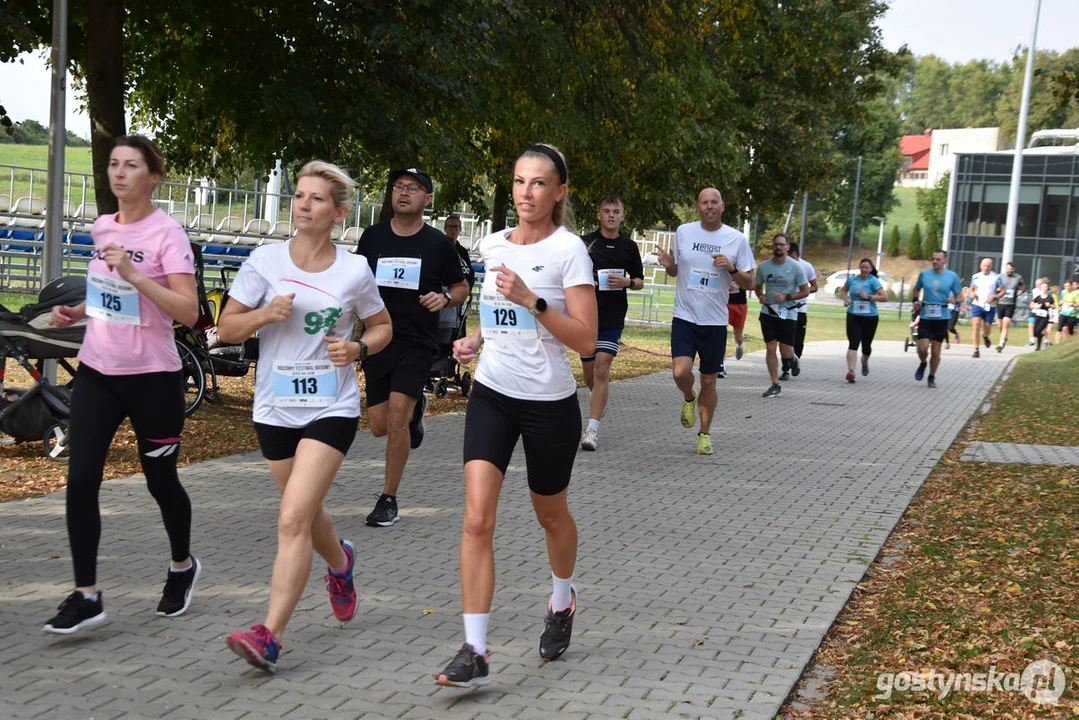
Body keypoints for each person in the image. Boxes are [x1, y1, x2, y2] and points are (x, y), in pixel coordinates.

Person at [434, 144, 597, 688]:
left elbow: (587, 341)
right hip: (493, 394)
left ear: (559, 193)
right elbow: (495, 311)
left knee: (551, 515)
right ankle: (475, 650)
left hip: (549, 403)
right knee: (477, 518)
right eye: (520, 181)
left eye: (539, 183)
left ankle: (562, 597)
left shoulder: (571, 251)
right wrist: (475, 338)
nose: (526, 192)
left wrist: (533, 300)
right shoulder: (493, 243)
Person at [220, 161, 393, 672]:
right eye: (299, 195)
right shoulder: (264, 261)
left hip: (330, 407)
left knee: (293, 516)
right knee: (307, 513)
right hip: (274, 406)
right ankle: (340, 563)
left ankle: (269, 634)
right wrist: (263, 316)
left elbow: (383, 327)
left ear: (338, 213)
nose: (303, 204)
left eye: (317, 199)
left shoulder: (354, 270)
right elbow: (227, 329)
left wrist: (358, 348)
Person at [42, 135, 201, 635]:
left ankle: (182, 565)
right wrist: (80, 311)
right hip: (98, 373)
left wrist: (133, 273)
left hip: (153, 379)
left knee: (161, 482)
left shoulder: (167, 235)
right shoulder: (102, 226)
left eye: (131, 165)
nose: (119, 173)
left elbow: (188, 312)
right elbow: (110, 297)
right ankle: (87, 594)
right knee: (82, 479)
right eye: (113, 164)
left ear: (152, 177)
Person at [354, 168, 470, 527]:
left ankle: (388, 499)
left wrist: (445, 297)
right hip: (377, 340)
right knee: (377, 425)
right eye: (399, 187)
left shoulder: (438, 244)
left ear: (427, 199)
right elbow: (356, 281)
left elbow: (461, 287)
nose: (404, 193)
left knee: (397, 417)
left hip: (417, 342)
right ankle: (418, 407)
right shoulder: (372, 237)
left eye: (413, 189)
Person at [655, 188, 754, 454]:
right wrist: (667, 263)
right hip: (685, 316)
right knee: (680, 371)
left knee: (709, 381)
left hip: (714, 321)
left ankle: (704, 434)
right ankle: (689, 396)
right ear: (698, 207)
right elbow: (676, 270)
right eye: (704, 202)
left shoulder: (736, 239)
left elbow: (751, 282)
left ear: (722, 206)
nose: (709, 206)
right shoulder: (684, 231)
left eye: (714, 202)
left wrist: (731, 268)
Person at [579, 195, 644, 451]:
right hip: (585, 315)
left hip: (612, 316)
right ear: (598, 215)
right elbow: (571, 272)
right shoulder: (585, 242)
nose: (611, 215)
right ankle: (599, 401)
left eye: (616, 211)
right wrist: (587, 282)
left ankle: (591, 430)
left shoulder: (629, 246)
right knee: (589, 375)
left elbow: (640, 281)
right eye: (606, 211)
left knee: (601, 370)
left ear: (622, 216)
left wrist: (627, 282)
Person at [754, 234, 810, 398]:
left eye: (782, 245)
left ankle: (792, 359)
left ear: (787, 247)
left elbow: (805, 291)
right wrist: (760, 296)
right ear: (773, 247)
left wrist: (787, 297)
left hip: (788, 312)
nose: (778, 247)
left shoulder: (795, 267)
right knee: (770, 346)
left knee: (785, 350)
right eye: (776, 244)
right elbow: (757, 287)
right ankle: (775, 384)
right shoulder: (764, 267)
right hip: (768, 311)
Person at [912, 250, 964, 388]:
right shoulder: (924, 274)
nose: (935, 261)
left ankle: (931, 376)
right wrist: (916, 300)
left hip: (942, 316)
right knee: (922, 348)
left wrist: (955, 300)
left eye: (938, 259)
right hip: (925, 315)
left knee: (936, 350)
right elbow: (916, 289)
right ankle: (923, 363)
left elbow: (961, 297)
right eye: (933, 259)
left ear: (945, 261)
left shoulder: (951, 276)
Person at [840, 259, 887, 382]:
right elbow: (843, 290)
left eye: (867, 268)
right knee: (853, 343)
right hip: (853, 315)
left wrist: (870, 297)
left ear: (871, 269)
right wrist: (845, 300)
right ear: (859, 268)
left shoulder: (873, 281)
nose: (864, 270)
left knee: (866, 346)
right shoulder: (852, 280)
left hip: (870, 317)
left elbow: (884, 297)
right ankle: (851, 371)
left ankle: (864, 361)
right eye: (862, 267)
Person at [967, 257, 1004, 358]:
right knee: (976, 325)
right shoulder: (976, 276)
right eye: (984, 265)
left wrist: (995, 297)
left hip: (990, 306)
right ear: (980, 266)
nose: (986, 268)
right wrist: (973, 294)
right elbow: (971, 289)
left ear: (991, 267)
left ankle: (985, 336)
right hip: (977, 304)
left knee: (987, 328)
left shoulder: (996, 277)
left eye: (988, 266)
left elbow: (1003, 290)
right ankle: (976, 349)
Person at [788, 242, 818, 361]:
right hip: (785, 308)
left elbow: (815, 286)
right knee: (786, 338)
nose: (792, 260)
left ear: (798, 255)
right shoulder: (781, 266)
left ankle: (796, 360)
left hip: (800, 308)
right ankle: (786, 366)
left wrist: (804, 291)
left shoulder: (806, 266)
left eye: (793, 257)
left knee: (798, 340)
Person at [995, 261, 1025, 352]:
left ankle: (1001, 343)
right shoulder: (1000, 276)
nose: (1009, 270)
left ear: (1013, 269)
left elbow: (1023, 285)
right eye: (1008, 269)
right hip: (1001, 302)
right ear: (1005, 268)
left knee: (1006, 323)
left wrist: (1021, 291)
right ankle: (1004, 338)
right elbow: (995, 286)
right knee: (999, 324)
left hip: (1011, 304)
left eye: (1011, 269)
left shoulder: (1018, 277)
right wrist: (997, 289)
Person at [443, 214, 477, 289]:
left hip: (461, 292)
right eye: (450, 226)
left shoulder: (463, 251)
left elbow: (470, 273)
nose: (453, 230)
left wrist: (468, 289)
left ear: (460, 229)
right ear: (445, 228)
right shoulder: (440, 248)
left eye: (456, 227)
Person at [1029, 280, 1055, 351]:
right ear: (1040, 288)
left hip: (1045, 317)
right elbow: (1031, 305)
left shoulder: (1050, 297)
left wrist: (1049, 305)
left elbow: (1054, 306)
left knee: (1039, 330)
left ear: (1047, 288)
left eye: (1046, 287)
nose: (1044, 288)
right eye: (1043, 287)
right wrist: (1036, 306)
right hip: (1038, 315)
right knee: (1035, 332)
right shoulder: (1038, 297)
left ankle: (1038, 347)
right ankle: (1040, 338)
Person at [1056, 279, 1078, 344]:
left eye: (1068, 286)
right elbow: (1060, 301)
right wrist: (1060, 304)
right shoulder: (1063, 292)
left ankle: (1069, 342)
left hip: (1071, 314)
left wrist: (1072, 304)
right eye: (1065, 286)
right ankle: (1057, 345)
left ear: (1071, 286)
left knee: (1071, 331)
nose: (1067, 288)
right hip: (1063, 313)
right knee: (1060, 329)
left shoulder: (1076, 293)